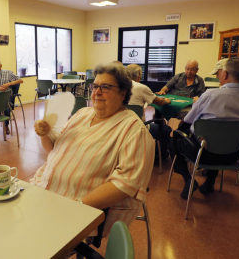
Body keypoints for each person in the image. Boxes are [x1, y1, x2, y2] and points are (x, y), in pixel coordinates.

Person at [31, 63, 155, 236]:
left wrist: (77, 207)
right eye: (95, 86)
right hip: (44, 191)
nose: (97, 92)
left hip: (80, 210)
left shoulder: (134, 131)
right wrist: (45, 134)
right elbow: (53, 147)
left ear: (123, 93)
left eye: (106, 87)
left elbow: (125, 184)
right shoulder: (82, 114)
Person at [172, 57, 239, 199]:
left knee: (178, 137)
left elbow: (188, 120)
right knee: (220, 141)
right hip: (232, 156)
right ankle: (210, 182)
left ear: (225, 74)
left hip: (202, 153)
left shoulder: (210, 95)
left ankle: (188, 179)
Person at [126, 64, 172, 160]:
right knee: (166, 129)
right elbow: (160, 102)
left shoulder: (118, 86)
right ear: (139, 75)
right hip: (139, 127)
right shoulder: (141, 87)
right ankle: (158, 156)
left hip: (121, 126)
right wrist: (167, 100)